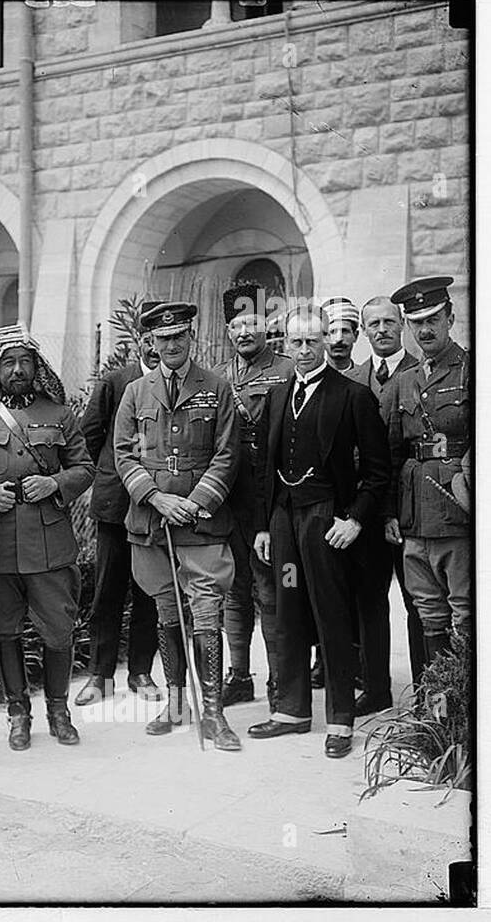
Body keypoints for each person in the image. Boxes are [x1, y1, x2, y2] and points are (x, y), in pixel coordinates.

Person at [248, 305, 390, 759]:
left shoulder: (352, 396)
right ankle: (291, 711)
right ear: (284, 345)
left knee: (332, 614)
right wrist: (264, 527)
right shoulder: (275, 396)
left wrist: (355, 520)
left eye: (313, 341)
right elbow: (264, 468)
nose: (305, 350)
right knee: (289, 606)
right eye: (297, 342)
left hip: (327, 520)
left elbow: (376, 471)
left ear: (327, 342)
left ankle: (341, 721)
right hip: (285, 522)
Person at [0, 325, 94, 750]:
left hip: (49, 548)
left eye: (25, 362)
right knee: (3, 629)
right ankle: (18, 714)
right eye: (8, 363)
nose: (17, 370)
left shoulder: (59, 415)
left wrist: (55, 485)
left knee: (58, 631)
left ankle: (58, 711)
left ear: (37, 366)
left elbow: (85, 467)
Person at [113, 301, 241, 751]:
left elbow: (227, 455)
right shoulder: (135, 392)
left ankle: (214, 713)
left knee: (207, 611)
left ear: (191, 337)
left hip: (201, 523)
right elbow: (123, 455)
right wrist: (156, 498)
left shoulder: (216, 387)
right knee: (166, 609)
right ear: (151, 342)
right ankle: (175, 702)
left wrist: (193, 501)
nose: (171, 345)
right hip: (151, 523)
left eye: (179, 337)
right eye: (163, 339)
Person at [380, 276, 470, 679]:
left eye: (434, 318)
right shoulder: (403, 381)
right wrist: (389, 513)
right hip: (414, 515)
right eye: (417, 322)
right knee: (428, 611)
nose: (426, 330)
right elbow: (387, 453)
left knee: (466, 611)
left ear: (451, 317)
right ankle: (438, 709)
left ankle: (468, 710)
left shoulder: (472, 369)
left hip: (459, 513)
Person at [75, 322, 162, 706]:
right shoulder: (115, 383)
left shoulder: (177, 384)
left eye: (161, 340)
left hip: (156, 505)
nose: (154, 347)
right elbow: (88, 440)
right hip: (115, 506)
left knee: (148, 590)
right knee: (108, 589)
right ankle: (99, 674)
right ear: (138, 342)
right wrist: (104, 481)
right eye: (147, 340)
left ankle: (141, 672)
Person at [220, 285, 294, 710]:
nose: (245, 332)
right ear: (228, 331)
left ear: (267, 325)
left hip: (272, 495)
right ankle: (239, 675)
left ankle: (280, 680)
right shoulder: (216, 374)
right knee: (234, 587)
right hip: (230, 495)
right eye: (237, 325)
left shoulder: (285, 370)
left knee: (271, 590)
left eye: (252, 323)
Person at [346, 295, 425, 694]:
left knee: (419, 603)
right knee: (369, 600)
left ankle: (430, 694)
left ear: (402, 325)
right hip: (365, 510)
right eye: (373, 324)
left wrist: (393, 509)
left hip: (409, 510)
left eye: (389, 323)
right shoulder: (354, 379)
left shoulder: (419, 372)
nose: (382, 331)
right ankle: (375, 688)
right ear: (363, 331)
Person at [323, 296, 359, 372]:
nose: (339, 339)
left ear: (355, 336)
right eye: (332, 332)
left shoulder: (366, 378)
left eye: (345, 331)